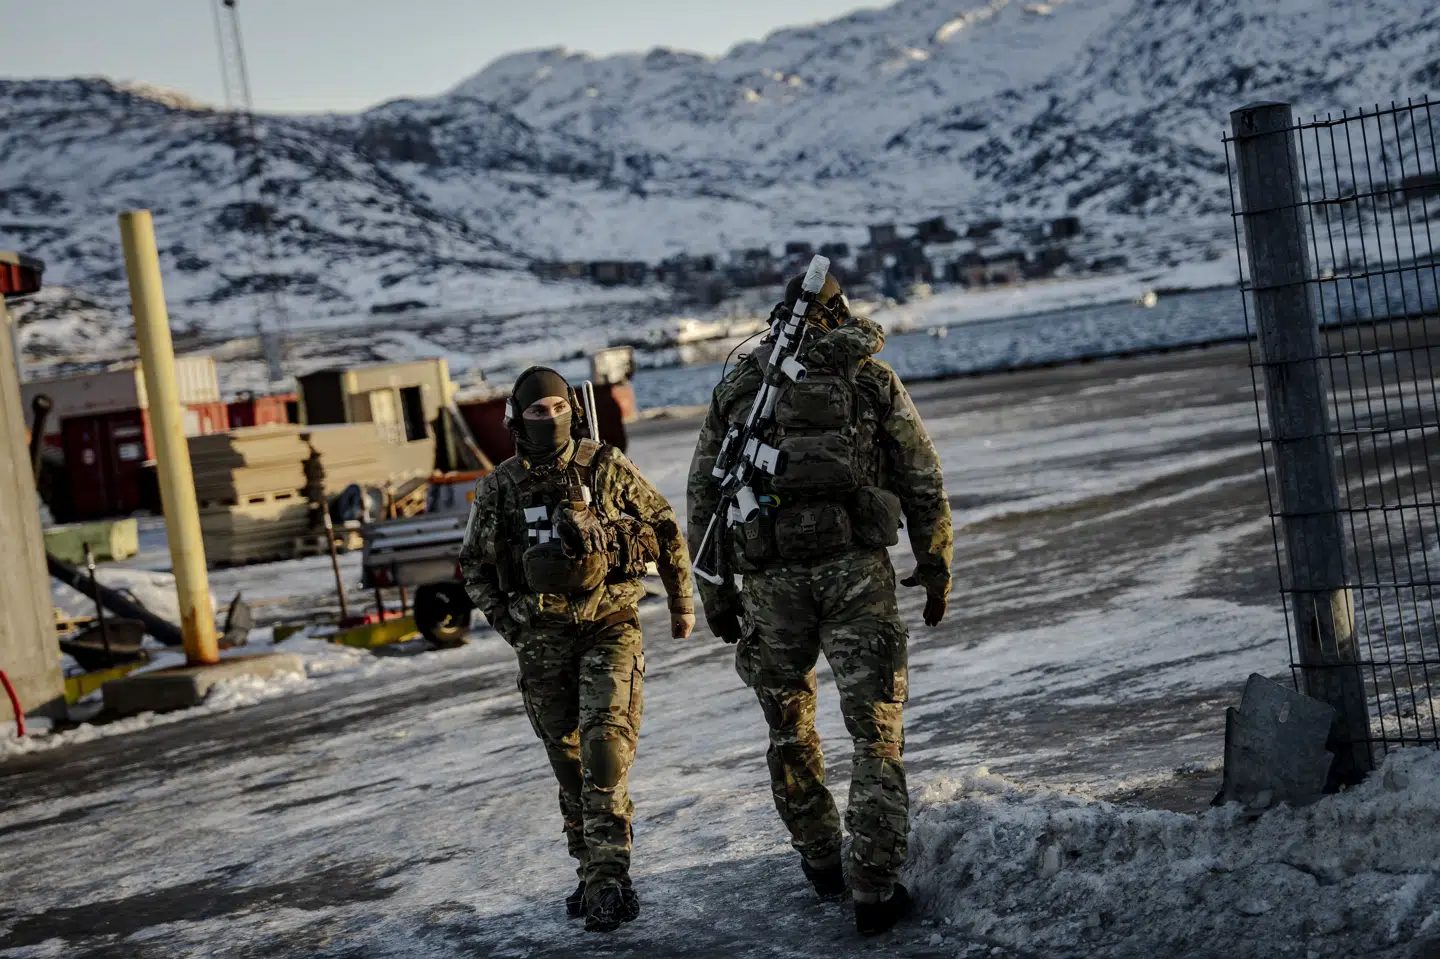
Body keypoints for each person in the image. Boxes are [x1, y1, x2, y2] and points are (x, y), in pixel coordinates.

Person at [687, 275, 952, 936]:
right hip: (855, 572)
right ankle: (873, 885)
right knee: (875, 730)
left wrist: (715, 594)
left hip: (771, 584)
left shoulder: (743, 388)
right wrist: (935, 561)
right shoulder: (867, 377)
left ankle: (820, 860)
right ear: (841, 314)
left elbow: (704, 496)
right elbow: (921, 473)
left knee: (789, 728)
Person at [459, 366, 695, 933]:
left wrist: (682, 601)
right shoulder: (499, 487)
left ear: (575, 411)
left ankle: (612, 881)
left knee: (604, 755)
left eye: (558, 409)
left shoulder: (607, 467)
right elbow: (474, 567)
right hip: (540, 641)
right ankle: (590, 873)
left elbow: (663, 528)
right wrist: (510, 625)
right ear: (517, 419)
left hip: (609, 624)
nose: (550, 420)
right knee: (570, 770)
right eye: (537, 412)